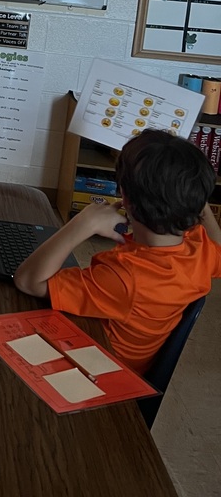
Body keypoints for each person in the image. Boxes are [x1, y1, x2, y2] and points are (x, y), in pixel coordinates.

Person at [13, 129, 221, 373]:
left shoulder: (124, 277)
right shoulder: (198, 249)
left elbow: (27, 280)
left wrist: (83, 224)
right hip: (128, 365)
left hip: (98, 370)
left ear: (125, 197)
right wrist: (192, 195)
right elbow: (216, 241)